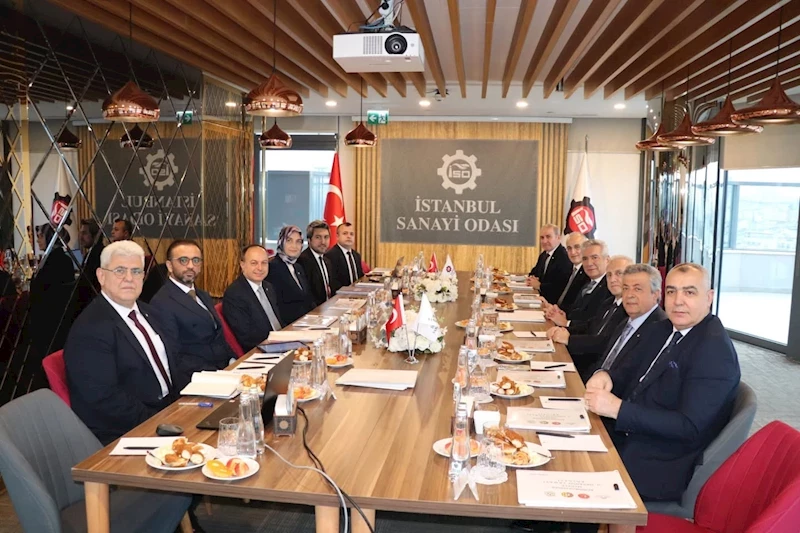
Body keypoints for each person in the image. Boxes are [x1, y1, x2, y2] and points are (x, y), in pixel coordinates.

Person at [584, 263, 740, 502]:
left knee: (573, 470)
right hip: (631, 435)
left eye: (689, 292)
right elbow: (628, 370)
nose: (678, 301)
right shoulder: (663, 329)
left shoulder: (714, 351)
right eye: (671, 291)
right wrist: (606, 375)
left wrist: (618, 409)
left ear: (709, 298)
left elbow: (687, 426)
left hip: (659, 463)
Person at [64, 241, 179, 445]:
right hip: (127, 431)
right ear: (101, 276)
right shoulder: (90, 329)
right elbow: (105, 399)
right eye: (119, 271)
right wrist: (160, 421)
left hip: (169, 409)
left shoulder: (148, 312)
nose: (129, 278)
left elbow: (173, 363)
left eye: (136, 271)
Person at [150, 239, 234, 387]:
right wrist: (217, 375)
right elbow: (175, 356)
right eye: (183, 260)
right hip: (197, 380)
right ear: (169, 265)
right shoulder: (161, 303)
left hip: (225, 371)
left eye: (196, 260)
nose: (190, 266)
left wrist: (234, 362)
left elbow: (218, 336)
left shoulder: (203, 295)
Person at [548, 255, 632, 377]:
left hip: (596, 371)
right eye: (609, 275)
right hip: (582, 359)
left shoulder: (630, 310)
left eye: (619, 273)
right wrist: (562, 329)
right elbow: (590, 326)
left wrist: (569, 339)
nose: (612, 279)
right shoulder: (609, 302)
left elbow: (606, 343)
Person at [592, 264, 667, 375]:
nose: (629, 295)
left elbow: (632, 376)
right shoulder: (625, 323)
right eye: (626, 288)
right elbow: (603, 361)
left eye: (637, 289)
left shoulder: (661, 329)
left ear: (655, 295)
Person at [222, 245, 283, 352]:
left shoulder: (268, 287)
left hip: (281, 341)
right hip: (262, 350)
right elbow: (246, 338)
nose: (260, 268)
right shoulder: (235, 294)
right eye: (254, 263)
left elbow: (277, 322)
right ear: (243, 265)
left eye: (264, 263)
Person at [546, 239, 612, 326]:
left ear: (607, 260)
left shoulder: (610, 287)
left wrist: (567, 323)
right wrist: (563, 314)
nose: (589, 263)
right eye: (585, 259)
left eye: (594, 257)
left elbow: (595, 325)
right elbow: (579, 312)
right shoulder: (588, 283)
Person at [267, 225, 315, 325]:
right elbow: (278, 307)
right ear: (281, 242)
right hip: (289, 326)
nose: (294, 246)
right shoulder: (273, 268)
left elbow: (307, 298)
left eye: (298, 241)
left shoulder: (298, 267)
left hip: (306, 322)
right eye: (289, 240)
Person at [527, 224, 572, 303]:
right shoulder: (544, 255)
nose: (544, 241)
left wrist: (539, 285)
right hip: (540, 298)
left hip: (552, 303)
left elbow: (559, 286)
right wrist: (532, 279)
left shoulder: (564, 257)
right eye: (542, 238)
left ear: (558, 238)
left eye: (548, 237)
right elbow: (534, 272)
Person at [298, 220, 334, 307]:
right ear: (309, 240)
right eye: (318, 237)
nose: (323, 242)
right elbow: (308, 296)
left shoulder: (327, 260)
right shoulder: (302, 261)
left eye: (326, 237)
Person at [325, 222, 363, 293]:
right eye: (345, 233)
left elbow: (360, 277)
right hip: (341, 295)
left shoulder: (356, 255)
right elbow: (333, 282)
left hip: (358, 293)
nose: (349, 236)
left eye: (351, 234)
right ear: (337, 236)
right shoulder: (330, 256)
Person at [78, 219, 104, 293]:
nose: (80, 237)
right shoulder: (92, 253)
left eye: (84, 233)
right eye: (80, 233)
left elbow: (85, 284)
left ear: (95, 236)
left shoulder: (96, 255)